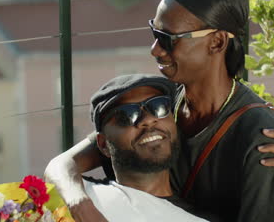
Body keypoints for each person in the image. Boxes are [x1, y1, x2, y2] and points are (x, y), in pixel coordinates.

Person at [45, 0, 274, 222]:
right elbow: (62, 166)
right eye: (155, 32)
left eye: (168, 39)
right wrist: (78, 203)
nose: (155, 49)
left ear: (217, 42)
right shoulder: (160, 105)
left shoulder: (260, 136)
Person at [82, 74, 206, 221]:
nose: (148, 120)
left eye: (159, 106)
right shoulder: (79, 200)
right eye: (126, 115)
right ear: (103, 145)